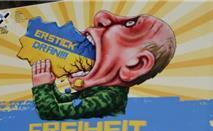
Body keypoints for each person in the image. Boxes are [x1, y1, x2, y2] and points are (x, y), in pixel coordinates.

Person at [31, 11, 176, 120]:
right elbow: (66, 100)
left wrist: (41, 87)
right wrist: (51, 86)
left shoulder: (109, 98)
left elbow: (51, 112)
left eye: (130, 24)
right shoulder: (98, 86)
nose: (100, 16)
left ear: (135, 65)